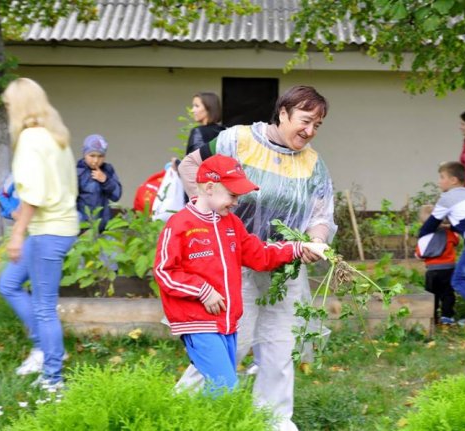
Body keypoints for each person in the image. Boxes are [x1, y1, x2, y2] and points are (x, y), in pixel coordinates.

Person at [178, 85, 335, 431]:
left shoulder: (313, 163)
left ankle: (273, 419)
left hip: (285, 268)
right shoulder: (238, 141)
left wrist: (316, 241)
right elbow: (192, 168)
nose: (309, 132)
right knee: (231, 342)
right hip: (238, 265)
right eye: (305, 121)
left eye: (317, 126)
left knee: (280, 348)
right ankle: (184, 409)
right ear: (283, 113)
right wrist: (211, 215)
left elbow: (321, 214)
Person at [154, 154, 327, 392]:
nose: (236, 202)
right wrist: (203, 291)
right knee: (225, 388)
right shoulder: (179, 225)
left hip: (227, 322)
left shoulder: (232, 224)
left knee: (215, 389)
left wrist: (299, 248)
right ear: (210, 187)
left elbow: (260, 254)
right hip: (197, 323)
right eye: (233, 195)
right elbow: (165, 272)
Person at [0, 77, 79, 390]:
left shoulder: (32, 139)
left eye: (8, 104)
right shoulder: (55, 136)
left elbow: (32, 195)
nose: (7, 110)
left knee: (45, 306)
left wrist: (17, 234)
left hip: (49, 231)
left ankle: (53, 378)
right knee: (8, 283)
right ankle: (43, 348)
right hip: (55, 225)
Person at [419, 162, 465, 336]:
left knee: (458, 280)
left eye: (442, 177)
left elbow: (430, 224)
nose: (439, 182)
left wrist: (421, 238)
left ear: (453, 180)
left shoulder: (448, 198)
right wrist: (450, 228)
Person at [415, 204, 458, 325]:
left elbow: (419, 255)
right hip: (449, 269)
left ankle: (432, 316)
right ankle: (447, 316)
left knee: (431, 294)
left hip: (432, 270)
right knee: (448, 293)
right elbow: (456, 241)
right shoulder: (448, 233)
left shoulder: (424, 236)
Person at [76, 134, 122, 232]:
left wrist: (105, 181)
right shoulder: (78, 172)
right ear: (84, 154)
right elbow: (69, 201)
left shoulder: (107, 170)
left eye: (100, 156)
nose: (96, 160)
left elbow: (116, 195)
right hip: (83, 228)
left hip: (105, 227)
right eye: (92, 156)